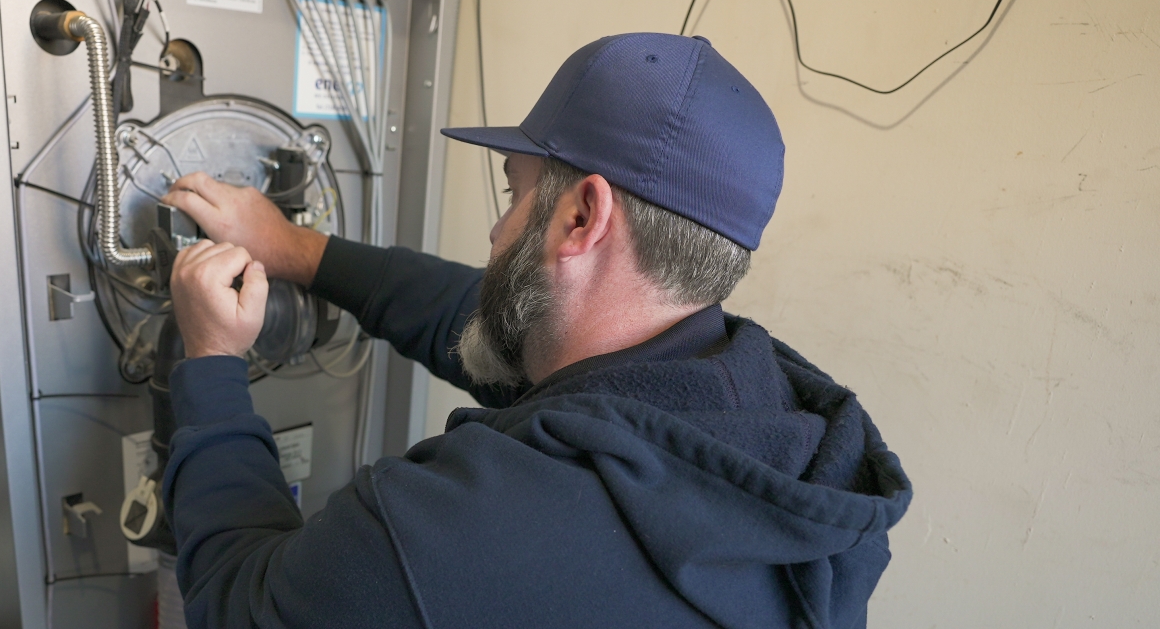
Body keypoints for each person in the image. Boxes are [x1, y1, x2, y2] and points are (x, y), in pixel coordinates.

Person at [159, 33, 911, 628]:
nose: (495, 228)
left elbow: (235, 605)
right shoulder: (777, 426)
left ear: (582, 216)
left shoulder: (449, 536)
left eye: (513, 192)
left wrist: (214, 361)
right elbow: (501, 329)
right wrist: (298, 250)